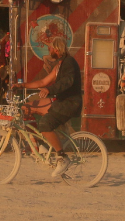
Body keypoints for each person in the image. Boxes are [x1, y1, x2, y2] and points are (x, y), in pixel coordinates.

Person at [24, 35, 83, 175]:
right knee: (28, 108)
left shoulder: (69, 62)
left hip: (70, 104)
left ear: (56, 49)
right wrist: (20, 85)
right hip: (62, 102)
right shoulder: (60, 64)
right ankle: (40, 146)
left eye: (50, 47)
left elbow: (67, 82)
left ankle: (62, 157)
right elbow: (42, 82)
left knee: (45, 124)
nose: (48, 50)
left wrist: (50, 90)